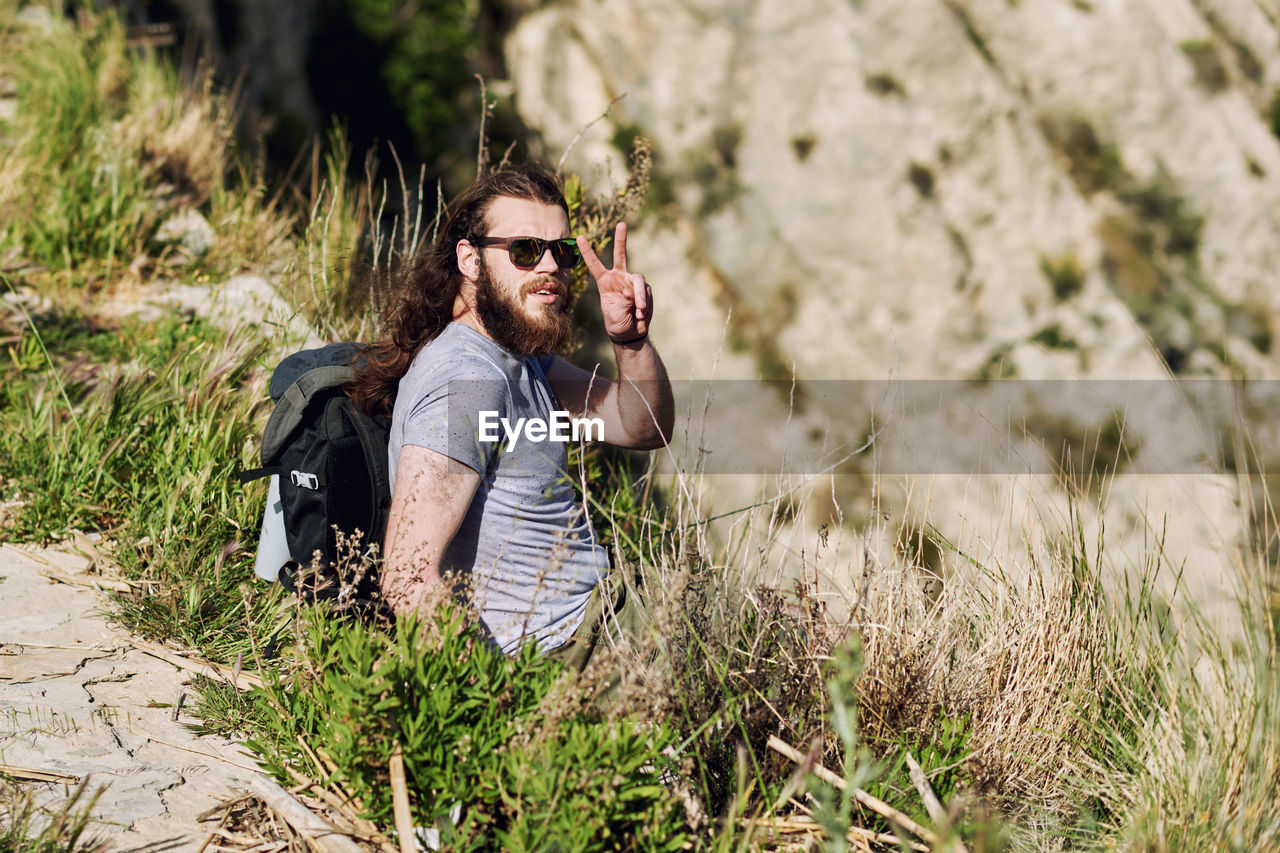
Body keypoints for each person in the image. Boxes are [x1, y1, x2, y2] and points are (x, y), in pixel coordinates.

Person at [348, 164, 673, 665]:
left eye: (561, 252)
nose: (549, 268)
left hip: (602, 620)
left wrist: (630, 340)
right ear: (470, 260)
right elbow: (408, 576)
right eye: (524, 250)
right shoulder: (468, 379)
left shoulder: (521, 360)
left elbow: (643, 426)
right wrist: (486, 711)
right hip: (569, 655)